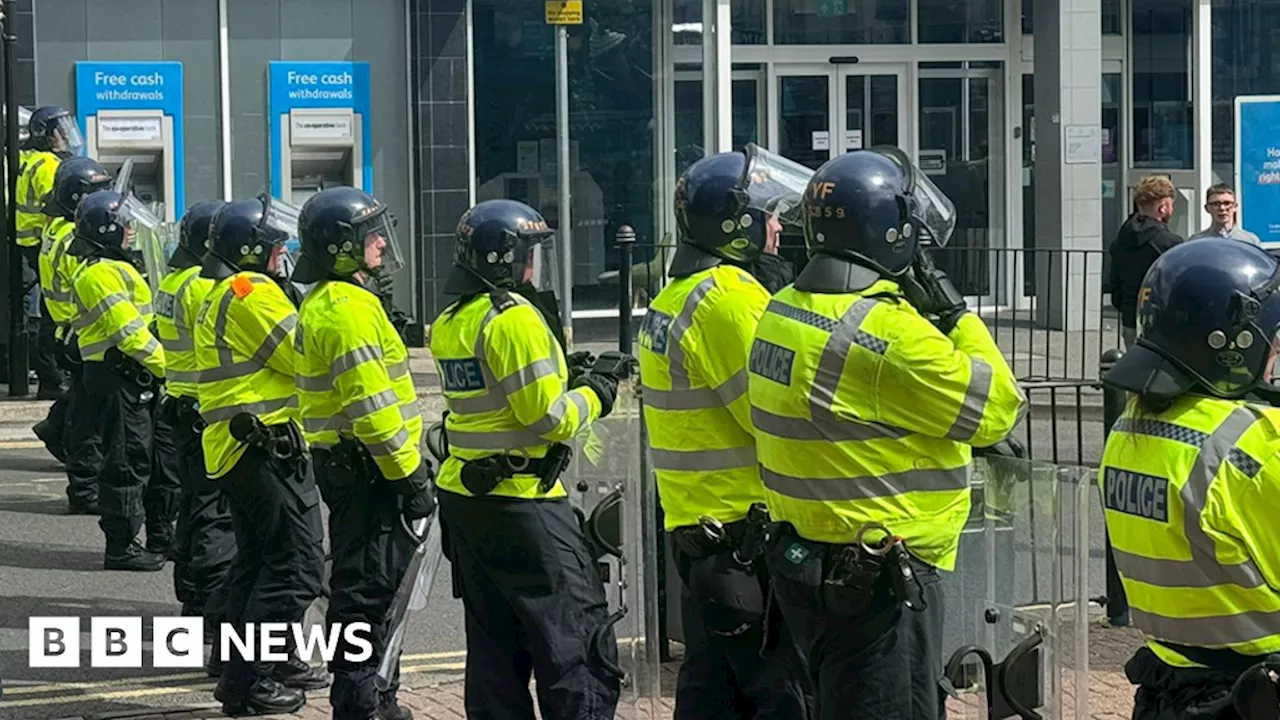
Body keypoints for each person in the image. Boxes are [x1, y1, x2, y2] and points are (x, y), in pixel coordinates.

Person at [748, 147, 1026, 720]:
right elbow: (999, 407)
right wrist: (955, 314)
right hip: (879, 582)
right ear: (894, 237)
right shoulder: (891, 338)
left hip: (803, 563)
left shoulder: (782, 311)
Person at [430, 198, 630, 719]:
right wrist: (599, 390)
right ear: (505, 258)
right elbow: (551, 418)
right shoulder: (513, 318)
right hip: (525, 500)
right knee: (576, 641)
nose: (535, 265)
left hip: (468, 498)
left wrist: (567, 371)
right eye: (529, 253)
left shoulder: (453, 319)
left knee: (496, 650)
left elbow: (497, 398)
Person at [639, 146, 813, 719]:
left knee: (710, 694)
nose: (779, 226)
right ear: (738, 225)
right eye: (769, 215)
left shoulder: (675, 298)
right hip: (747, 539)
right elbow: (773, 416)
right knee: (781, 694)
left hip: (701, 533)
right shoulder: (729, 301)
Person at [1100, 238, 1280, 720]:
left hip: (1168, 682)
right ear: (1234, 342)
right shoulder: (1253, 443)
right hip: (1253, 691)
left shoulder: (1128, 429)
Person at [292, 187, 435, 720]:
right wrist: (410, 477)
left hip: (356, 466)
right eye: (368, 235)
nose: (380, 244)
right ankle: (360, 701)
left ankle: (377, 693)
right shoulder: (348, 312)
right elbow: (373, 410)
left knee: (375, 585)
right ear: (340, 248)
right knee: (367, 589)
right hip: (371, 469)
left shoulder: (339, 302)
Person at [194, 196, 327, 715]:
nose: (282, 259)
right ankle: (250, 682)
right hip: (263, 448)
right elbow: (304, 358)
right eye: (276, 251)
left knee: (258, 562)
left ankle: (245, 667)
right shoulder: (251, 292)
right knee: (297, 567)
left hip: (244, 448)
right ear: (251, 252)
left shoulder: (232, 288)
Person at [65, 190, 168, 571]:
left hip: (125, 374)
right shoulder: (99, 274)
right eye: (123, 225)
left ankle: (142, 536)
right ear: (106, 230)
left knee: (140, 457)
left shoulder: (113, 267)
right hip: (117, 376)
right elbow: (130, 334)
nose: (129, 231)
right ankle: (121, 546)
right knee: (126, 460)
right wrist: (167, 368)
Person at [158, 199, 237, 675]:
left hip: (180, 402)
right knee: (215, 517)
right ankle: (210, 615)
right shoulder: (199, 287)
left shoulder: (172, 281)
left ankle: (193, 604)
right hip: (204, 407)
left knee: (193, 510)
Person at [33, 156, 112, 509]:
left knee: (82, 402)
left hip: (66, 328)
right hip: (82, 331)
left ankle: (54, 425)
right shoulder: (74, 238)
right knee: (89, 417)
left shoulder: (56, 228)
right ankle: (85, 487)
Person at [18, 105, 83, 399]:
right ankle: (52, 376)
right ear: (46, 135)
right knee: (54, 308)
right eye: (60, 131)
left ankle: (51, 374)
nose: (65, 137)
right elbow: (55, 206)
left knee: (48, 306)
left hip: (30, 242)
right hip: (46, 241)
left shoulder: (26, 158)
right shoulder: (48, 165)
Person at [1109, 174, 1184, 349]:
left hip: (1130, 318)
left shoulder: (1121, 239)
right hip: (1162, 322)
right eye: (1171, 205)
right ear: (1163, 207)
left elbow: (1114, 284)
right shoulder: (1170, 242)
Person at [1189, 184, 1261, 246]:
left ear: (1235, 207)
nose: (1222, 208)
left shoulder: (1250, 241)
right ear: (1207, 208)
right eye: (1216, 204)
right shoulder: (1197, 242)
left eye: (1227, 203)